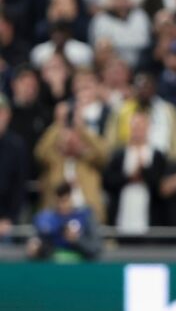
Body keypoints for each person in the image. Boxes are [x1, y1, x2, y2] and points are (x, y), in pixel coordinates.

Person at [28, 182, 101, 261]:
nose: (61, 205)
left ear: (72, 200)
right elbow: (38, 243)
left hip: (81, 266)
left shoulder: (86, 216)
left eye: (64, 201)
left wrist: (77, 240)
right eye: (58, 201)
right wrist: (36, 247)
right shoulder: (46, 218)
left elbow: (95, 248)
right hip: (53, 266)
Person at [0, 93, 27, 243]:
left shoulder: (16, 145)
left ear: (8, 115)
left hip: (5, 221)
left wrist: (9, 219)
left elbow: (19, 186)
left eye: (1, 112)